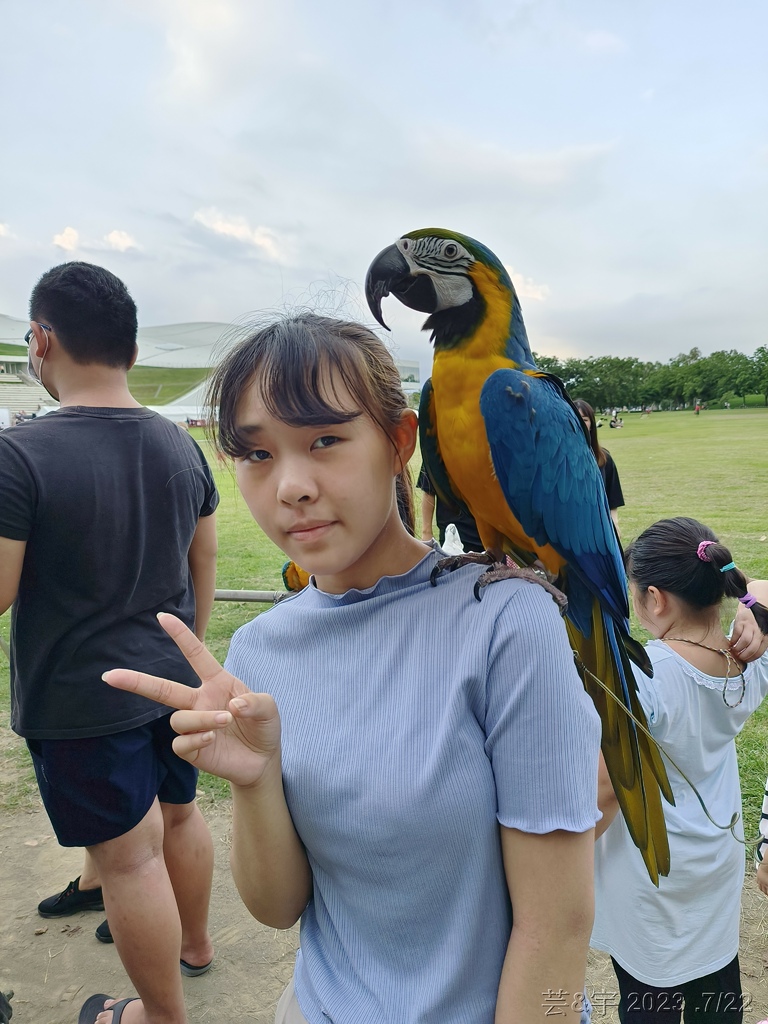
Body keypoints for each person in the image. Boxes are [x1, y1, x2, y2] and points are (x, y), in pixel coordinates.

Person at [103, 313, 602, 1024]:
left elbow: (557, 928)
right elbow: (279, 910)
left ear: (400, 443)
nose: (291, 487)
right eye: (256, 454)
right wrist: (254, 782)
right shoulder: (259, 652)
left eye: (326, 441)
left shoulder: (506, 623)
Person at [0, 262, 219, 1024]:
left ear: (43, 340)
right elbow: (204, 563)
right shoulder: (179, 445)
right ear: (127, 348)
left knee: (130, 859)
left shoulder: (19, 453)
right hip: (173, 681)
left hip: (81, 699)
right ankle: (196, 946)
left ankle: (158, 1016)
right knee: (181, 819)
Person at [591, 516, 768, 1022]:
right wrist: (753, 604)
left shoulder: (645, 676)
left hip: (651, 874)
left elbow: (606, 788)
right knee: (716, 987)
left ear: (656, 598)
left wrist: (563, 860)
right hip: (714, 864)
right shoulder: (749, 656)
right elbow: (763, 589)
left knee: (648, 1001)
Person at [574, 399, 625, 533]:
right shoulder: (556, 460)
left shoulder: (604, 458)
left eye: (584, 420)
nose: (579, 423)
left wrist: (614, 524)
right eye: (574, 418)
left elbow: (613, 498)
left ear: (591, 424)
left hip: (599, 528)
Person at [417, 463, 482, 552]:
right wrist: (426, 533)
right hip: (452, 535)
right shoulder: (437, 450)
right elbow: (428, 490)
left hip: (490, 536)